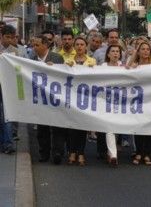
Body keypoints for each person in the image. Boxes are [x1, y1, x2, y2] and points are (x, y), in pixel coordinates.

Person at [30, 35, 67, 164]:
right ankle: (44, 153)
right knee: (42, 129)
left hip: (55, 98)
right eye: (33, 45)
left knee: (57, 127)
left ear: (45, 45)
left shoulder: (57, 58)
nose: (34, 48)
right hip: (40, 99)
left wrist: (54, 68)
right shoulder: (32, 59)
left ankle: (57, 152)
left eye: (37, 45)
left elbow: (63, 76)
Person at [66, 36, 96, 166]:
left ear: (86, 46)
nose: (79, 47)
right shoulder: (68, 60)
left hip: (86, 98)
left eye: (82, 44)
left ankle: (81, 153)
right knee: (72, 127)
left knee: (82, 127)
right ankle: (72, 152)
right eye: (77, 44)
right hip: (71, 98)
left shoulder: (92, 61)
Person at [128, 41, 151, 165]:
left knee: (150, 127)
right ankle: (139, 152)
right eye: (143, 49)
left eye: (147, 49)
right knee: (138, 126)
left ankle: (147, 153)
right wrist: (132, 65)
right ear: (138, 52)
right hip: (138, 100)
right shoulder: (134, 65)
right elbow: (125, 72)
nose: (145, 51)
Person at [100, 44, 124, 167]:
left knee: (115, 128)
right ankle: (113, 154)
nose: (115, 53)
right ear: (108, 54)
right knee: (110, 128)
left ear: (120, 54)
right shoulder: (102, 67)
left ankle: (112, 153)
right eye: (113, 51)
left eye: (117, 51)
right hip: (105, 102)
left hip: (121, 103)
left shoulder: (124, 66)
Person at [0, 25, 18, 154]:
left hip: (7, 86)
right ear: (1, 36)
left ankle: (8, 143)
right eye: (7, 37)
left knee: (6, 115)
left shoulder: (15, 52)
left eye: (11, 38)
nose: (9, 40)